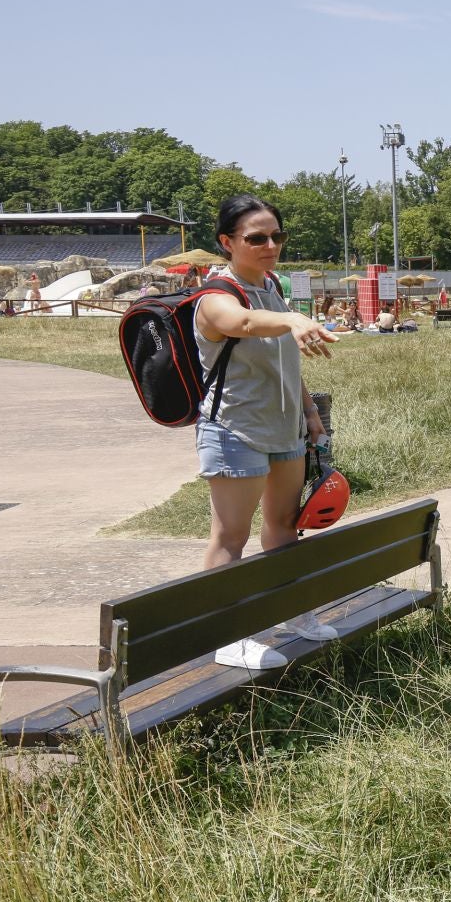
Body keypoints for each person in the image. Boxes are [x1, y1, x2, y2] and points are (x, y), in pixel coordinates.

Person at [191, 193, 340, 669]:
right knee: (230, 536)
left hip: (285, 429)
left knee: (281, 527)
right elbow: (245, 324)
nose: (270, 245)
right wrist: (292, 318)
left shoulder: (271, 286)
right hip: (235, 430)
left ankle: (289, 613)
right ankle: (228, 633)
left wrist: (309, 412)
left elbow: (283, 359)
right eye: (256, 238)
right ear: (227, 242)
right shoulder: (215, 297)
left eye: (277, 236)